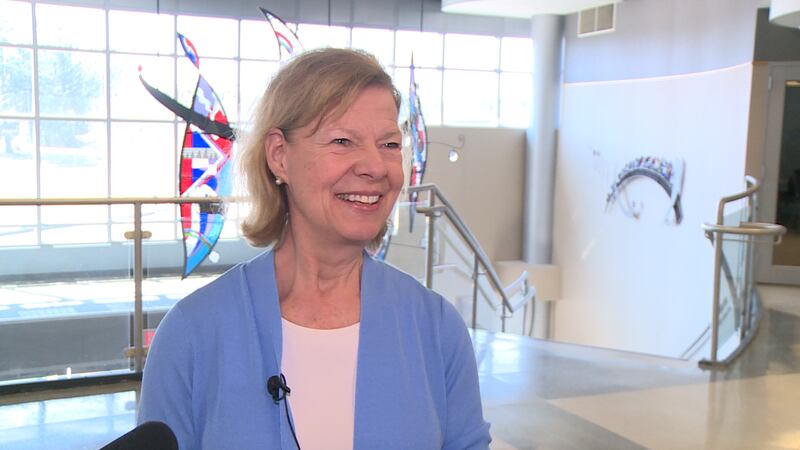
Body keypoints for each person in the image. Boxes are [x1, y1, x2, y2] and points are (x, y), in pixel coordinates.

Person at [137, 48, 491, 450]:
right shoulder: (193, 333)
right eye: (343, 141)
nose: (375, 167)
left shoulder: (436, 328)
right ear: (279, 156)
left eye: (390, 144)